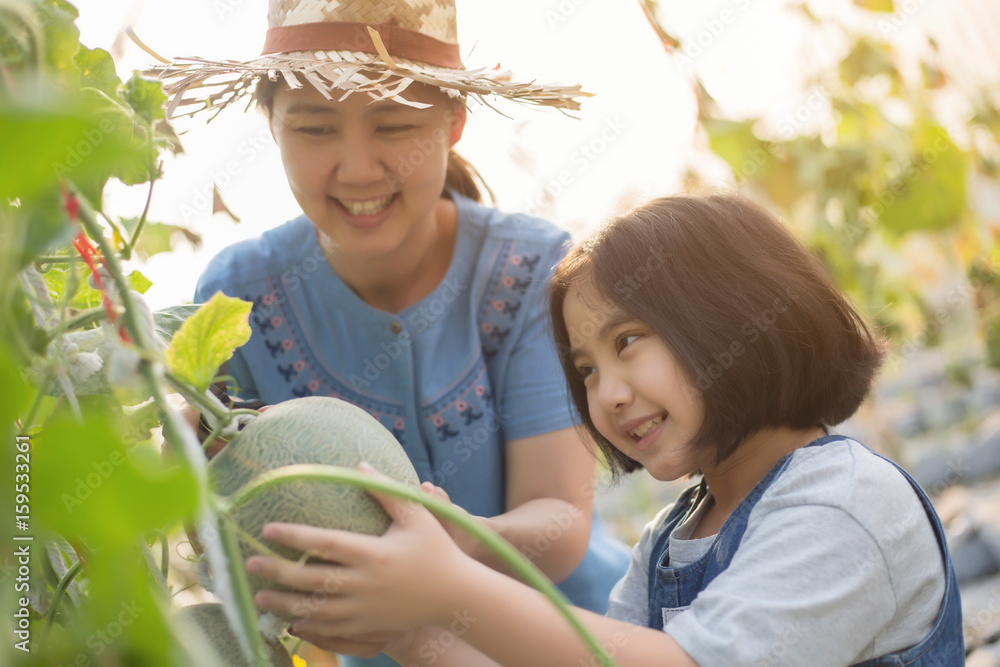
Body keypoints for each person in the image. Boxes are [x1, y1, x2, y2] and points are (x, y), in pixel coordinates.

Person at [243, 193, 965, 666]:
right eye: (585, 369)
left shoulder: (842, 503)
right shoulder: (670, 540)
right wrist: (412, 632)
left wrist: (448, 586)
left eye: (627, 342)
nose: (607, 394)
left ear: (736, 315)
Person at [159, 0, 632, 664]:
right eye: (316, 128)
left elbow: (557, 523)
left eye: (394, 125)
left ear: (454, 122)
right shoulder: (238, 298)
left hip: (584, 638)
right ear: (271, 126)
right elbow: (238, 533)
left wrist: (433, 555)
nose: (356, 168)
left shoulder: (529, 272)